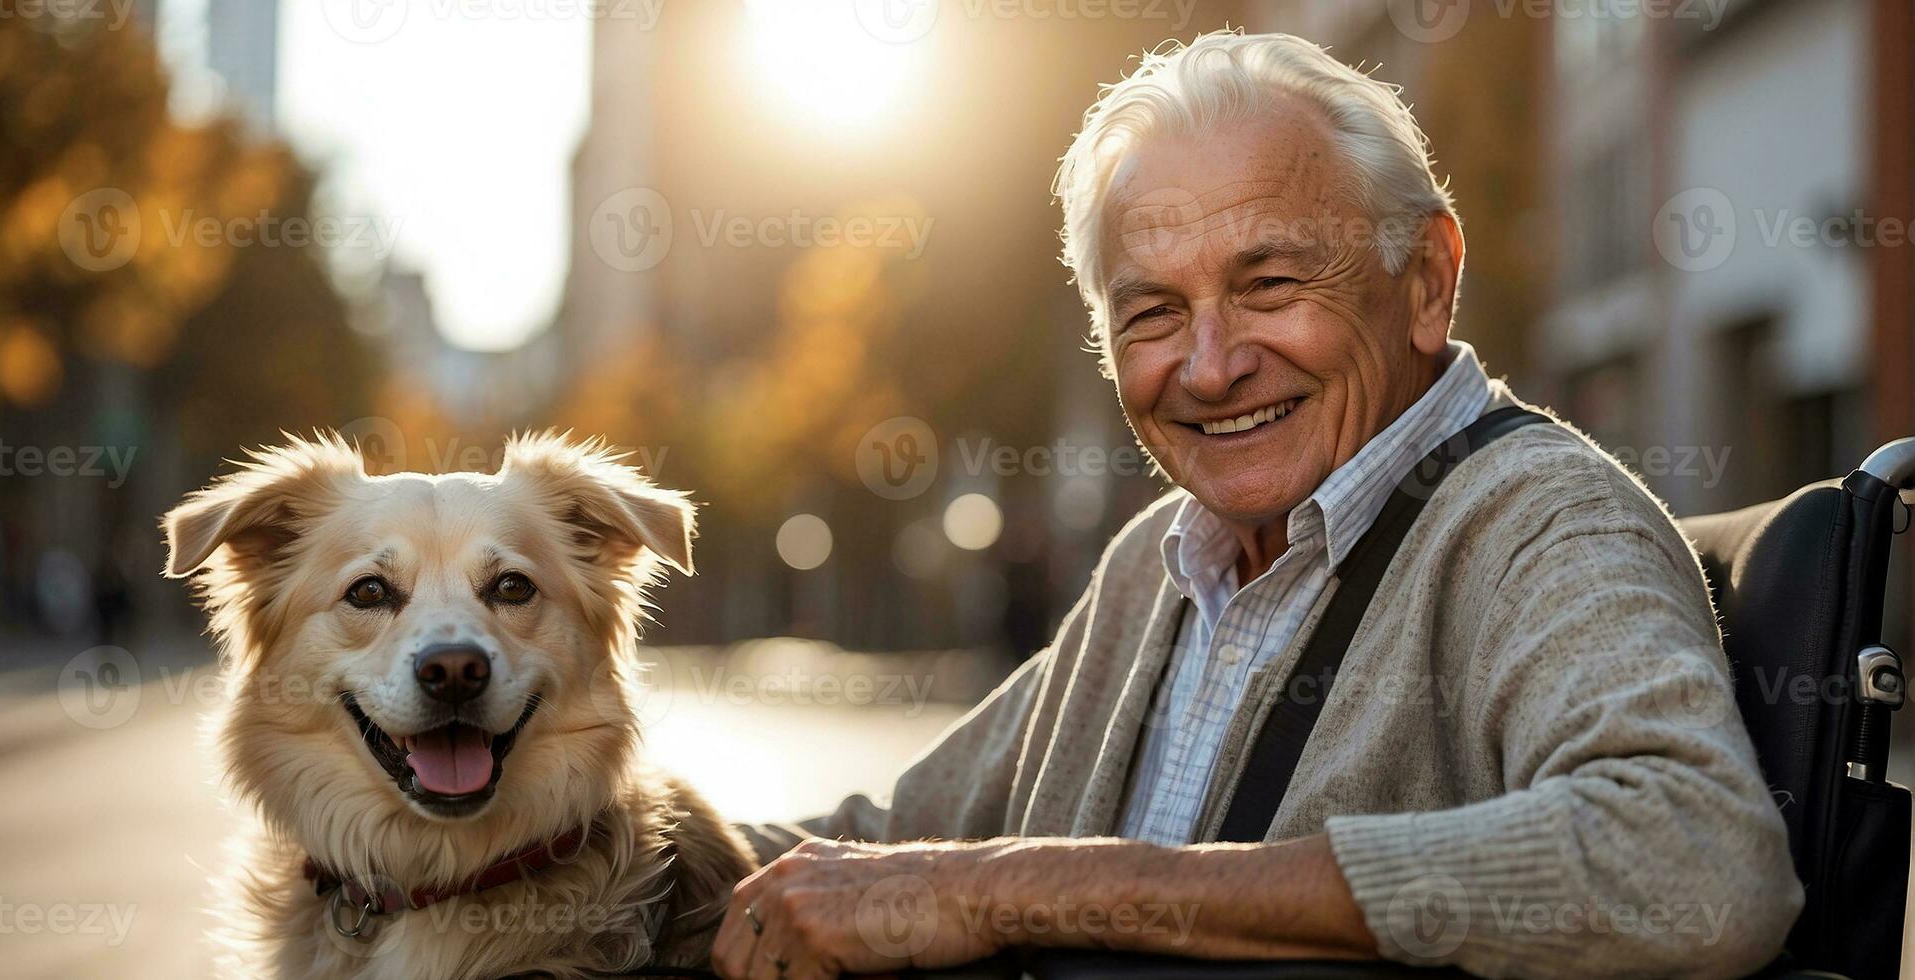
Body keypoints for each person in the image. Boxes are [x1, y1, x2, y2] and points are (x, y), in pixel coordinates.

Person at [711, 31, 1802, 980]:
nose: (1212, 364)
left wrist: (1026, 886)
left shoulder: (1541, 521)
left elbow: (1697, 861)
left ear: (1426, 279)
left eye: (1271, 285)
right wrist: (559, 832)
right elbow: (878, 846)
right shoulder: (1161, 562)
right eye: (1151, 313)